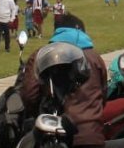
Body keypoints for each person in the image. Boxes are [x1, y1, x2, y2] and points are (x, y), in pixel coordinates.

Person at [21, 13, 107, 148]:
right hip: (92, 135)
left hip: (55, 135)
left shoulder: (43, 55)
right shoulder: (96, 58)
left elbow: (29, 95)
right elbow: (103, 97)